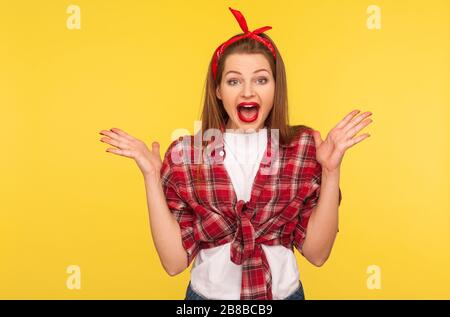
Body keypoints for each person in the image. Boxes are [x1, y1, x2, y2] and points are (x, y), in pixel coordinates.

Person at [98, 7, 373, 300]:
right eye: (233, 81)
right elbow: (174, 263)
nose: (247, 92)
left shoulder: (303, 148)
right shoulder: (187, 154)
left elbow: (318, 254)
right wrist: (152, 177)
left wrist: (331, 172)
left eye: (261, 79)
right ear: (217, 90)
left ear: (275, 87)